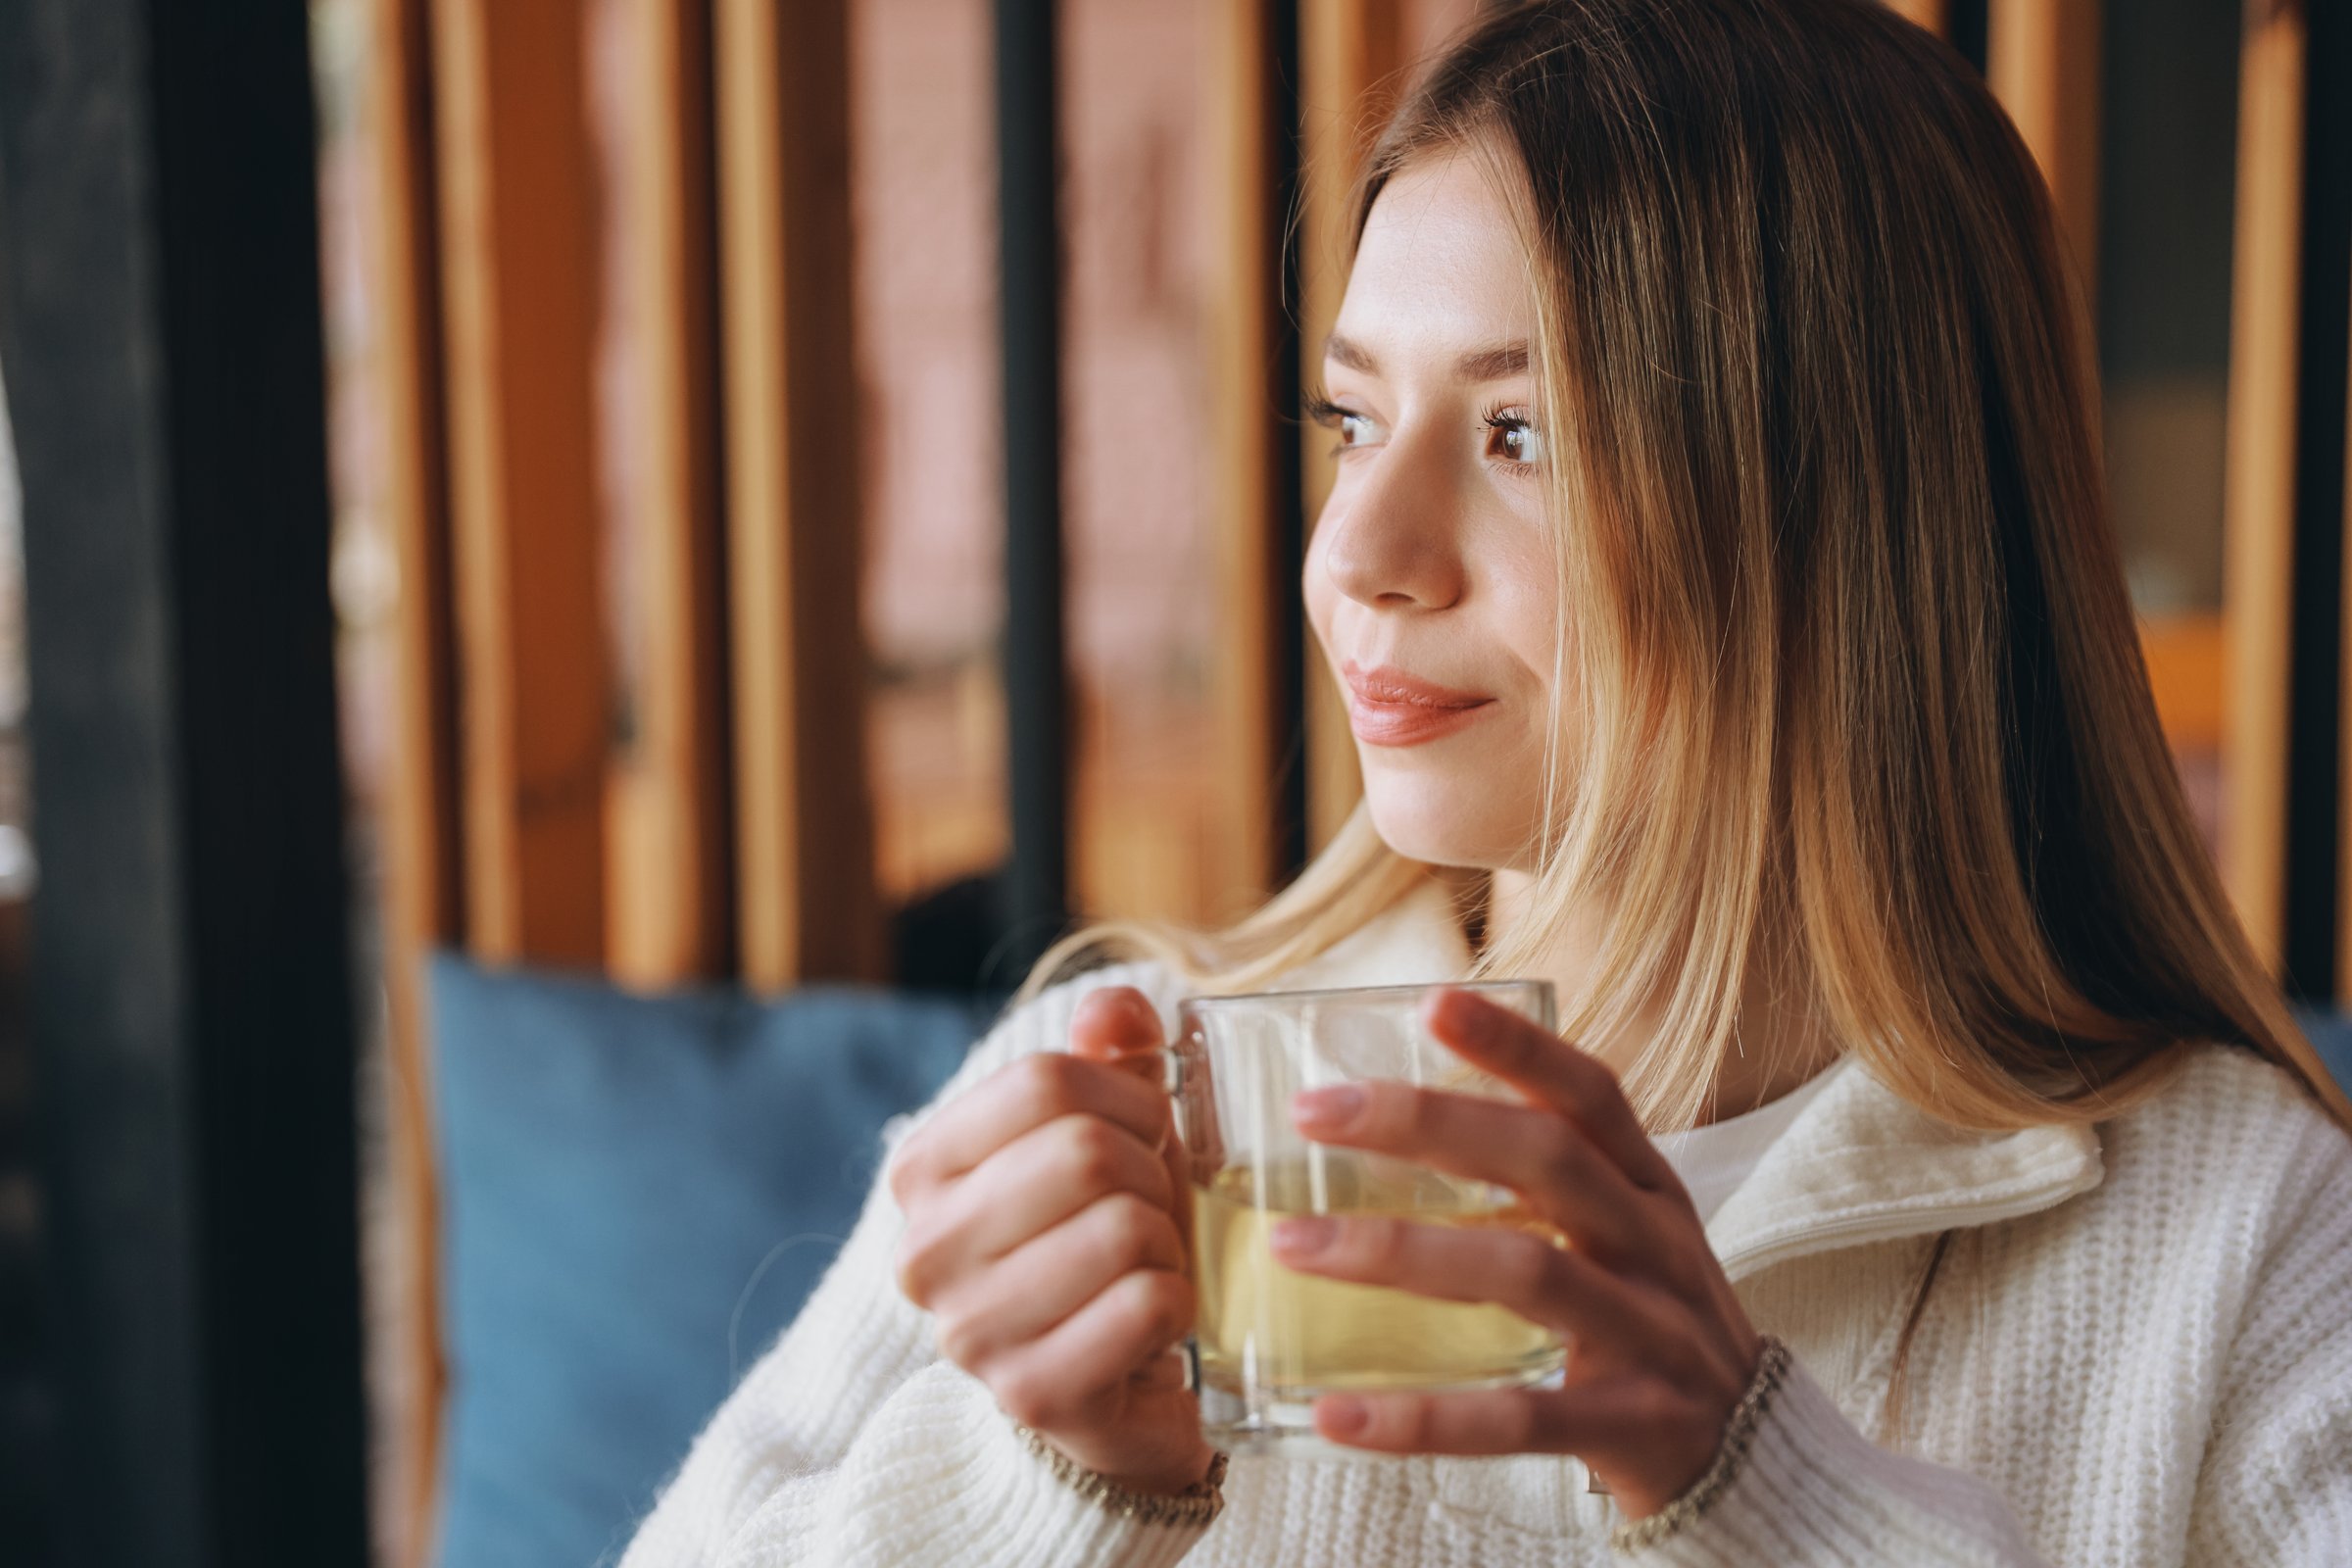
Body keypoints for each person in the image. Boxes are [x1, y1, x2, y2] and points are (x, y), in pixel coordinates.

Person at [620, 1, 2352, 1562]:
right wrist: (1048, 1496)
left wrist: (1762, 1494)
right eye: (1352, 420)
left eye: (1523, 435)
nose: (1359, 551)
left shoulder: (2249, 1238)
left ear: (1854, 537)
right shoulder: (1133, 1090)